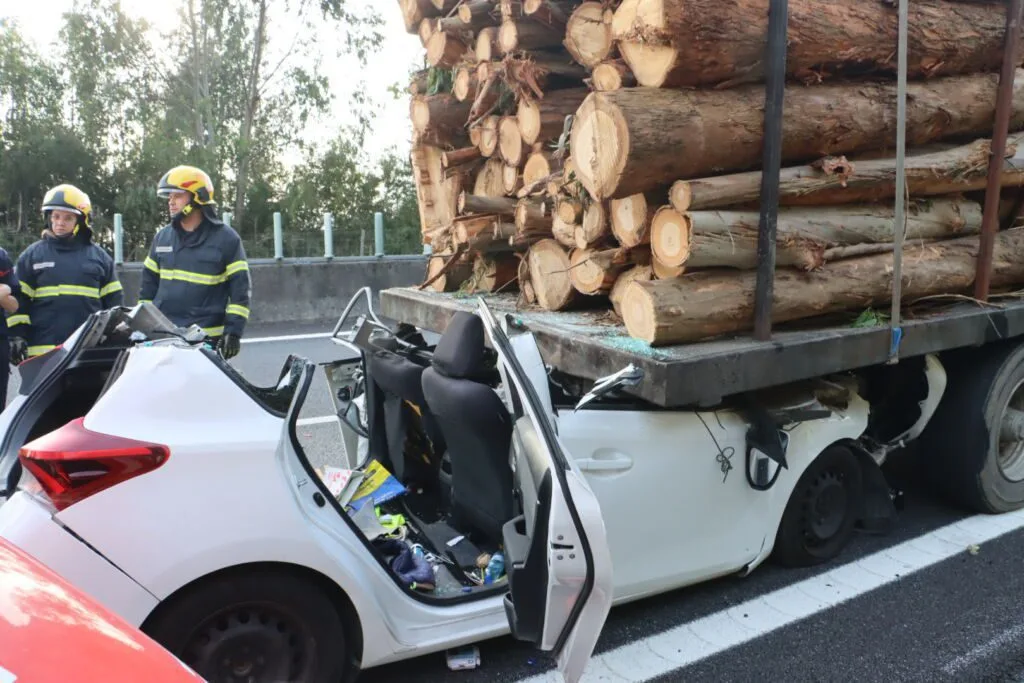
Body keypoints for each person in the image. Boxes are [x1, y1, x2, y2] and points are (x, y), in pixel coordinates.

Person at [140, 165, 251, 359]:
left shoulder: (227, 240)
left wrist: (233, 332)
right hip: (164, 338)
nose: (171, 202)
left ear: (197, 197)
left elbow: (240, 291)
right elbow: (147, 289)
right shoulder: (162, 238)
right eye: (169, 197)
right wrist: (142, 326)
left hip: (207, 340)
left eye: (178, 196)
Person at [9, 184, 123, 362]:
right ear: (48, 218)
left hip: (86, 351)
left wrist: (112, 337)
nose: (60, 223)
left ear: (81, 221)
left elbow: (114, 304)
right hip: (43, 352)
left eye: (68, 218)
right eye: (56, 216)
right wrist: (16, 335)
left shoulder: (99, 258)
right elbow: (17, 301)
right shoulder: (32, 256)